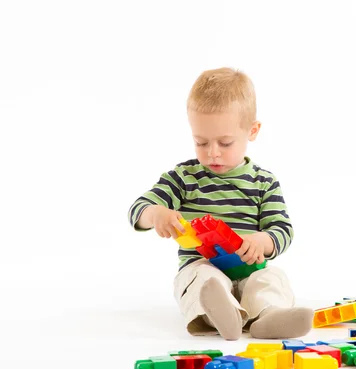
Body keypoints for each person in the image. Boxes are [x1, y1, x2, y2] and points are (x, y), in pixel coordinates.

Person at [127, 67, 313, 340]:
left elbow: (282, 230)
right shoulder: (183, 178)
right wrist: (155, 214)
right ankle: (221, 315)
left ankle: (269, 316)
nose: (212, 152)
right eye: (201, 142)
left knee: (270, 280)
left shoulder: (263, 183)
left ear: (253, 130)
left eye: (225, 143)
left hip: (251, 269)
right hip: (202, 266)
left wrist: (262, 241)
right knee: (203, 280)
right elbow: (138, 208)